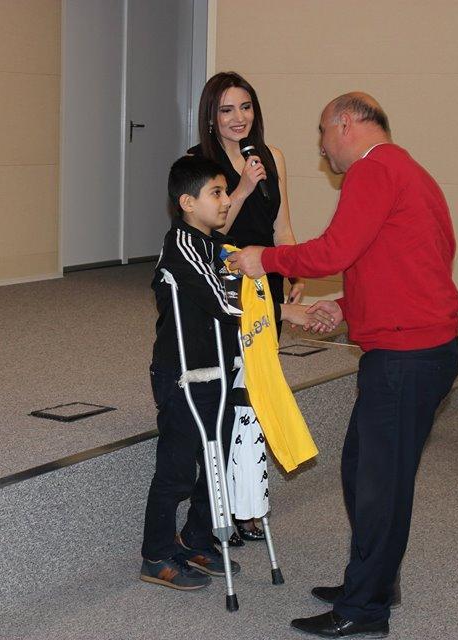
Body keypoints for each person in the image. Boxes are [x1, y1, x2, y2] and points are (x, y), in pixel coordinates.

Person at [228, 93, 458, 637]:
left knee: (380, 487)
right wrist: (347, 306)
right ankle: (376, 582)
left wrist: (265, 260)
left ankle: (365, 610)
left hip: (406, 357)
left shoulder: (372, 170)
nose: (320, 145)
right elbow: (409, 259)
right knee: (362, 469)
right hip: (417, 351)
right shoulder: (408, 171)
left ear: (346, 123)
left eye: (322, 131)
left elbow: (334, 251)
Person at [141, 155, 320, 590]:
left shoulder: (219, 246)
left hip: (220, 371)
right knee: (177, 470)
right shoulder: (181, 247)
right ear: (187, 203)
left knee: (216, 464)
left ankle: (196, 538)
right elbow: (225, 302)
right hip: (183, 376)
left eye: (225, 192)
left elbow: (246, 289)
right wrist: (285, 312)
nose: (226, 202)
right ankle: (156, 554)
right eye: (217, 193)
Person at [191, 70, 305, 543]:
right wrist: (239, 188)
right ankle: (221, 506)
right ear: (211, 117)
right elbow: (208, 231)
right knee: (227, 398)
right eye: (226, 110)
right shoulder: (198, 163)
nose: (238, 118)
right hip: (226, 283)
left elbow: (282, 226)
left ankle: (249, 504)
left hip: (267, 280)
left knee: (255, 395)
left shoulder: (271, 156)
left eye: (245, 107)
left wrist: (294, 268)